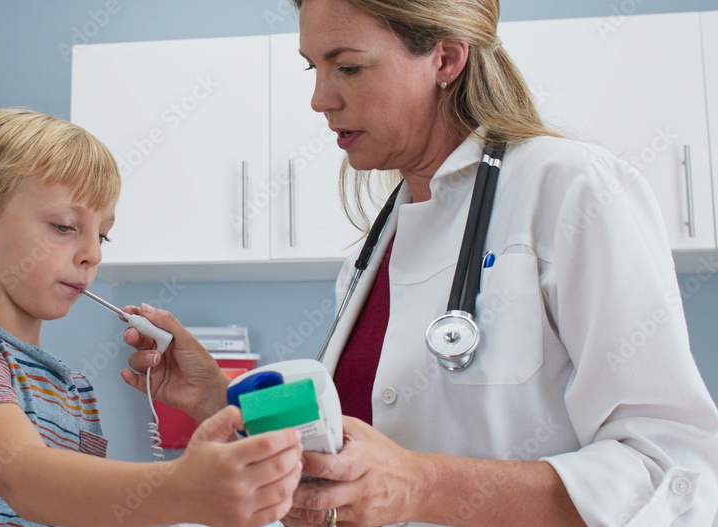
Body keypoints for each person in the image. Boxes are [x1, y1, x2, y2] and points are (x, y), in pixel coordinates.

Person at [119, 0, 718, 525]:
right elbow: (351, 446)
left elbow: (671, 468)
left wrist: (422, 487)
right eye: (314, 68)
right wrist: (221, 401)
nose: (319, 99)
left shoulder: (570, 189)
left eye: (347, 66)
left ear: (446, 59)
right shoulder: (369, 254)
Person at [0, 108, 303, 527]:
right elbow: (25, 478)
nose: (94, 253)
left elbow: (74, 508)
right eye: (64, 226)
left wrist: (221, 407)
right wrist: (181, 488)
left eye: (102, 234)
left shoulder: (72, 386)